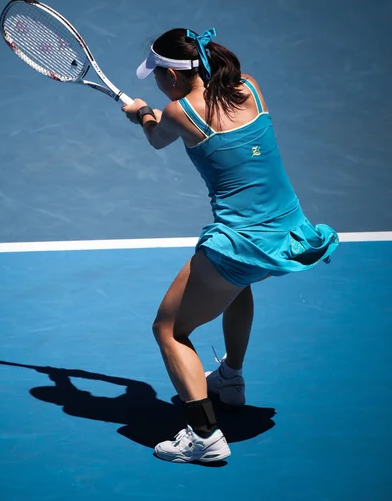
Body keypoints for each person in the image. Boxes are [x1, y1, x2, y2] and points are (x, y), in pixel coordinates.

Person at [122, 28, 339, 463]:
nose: (157, 83)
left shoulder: (179, 112)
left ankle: (204, 436)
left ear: (174, 77)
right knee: (237, 286)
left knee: (168, 329)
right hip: (288, 235)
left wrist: (141, 113)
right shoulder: (249, 87)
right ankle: (231, 381)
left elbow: (156, 135)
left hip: (240, 243)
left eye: (158, 75)